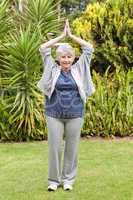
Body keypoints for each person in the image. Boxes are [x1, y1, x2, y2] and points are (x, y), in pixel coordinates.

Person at [37, 19, 95, 191]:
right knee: (54, 148)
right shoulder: (52, 67)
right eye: (63, 56)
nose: (66, 60)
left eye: (69, 56)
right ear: (58, 58)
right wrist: (62, 37)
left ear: (73, 58)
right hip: (53, 113)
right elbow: (43, 48)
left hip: (75, 114)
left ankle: (68, 180)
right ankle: (54, 181)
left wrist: (71, 36)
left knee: (72, 147)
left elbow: (89, 48)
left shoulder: (79, 68)